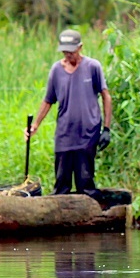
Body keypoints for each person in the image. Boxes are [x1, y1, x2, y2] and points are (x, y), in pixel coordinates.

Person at [26, 29, 113, 196]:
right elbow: (48, 100)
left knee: (85, 183)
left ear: (80, 47)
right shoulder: (56, 70)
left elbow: (106, 96)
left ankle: (89, 217)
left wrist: (107, 129)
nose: (68, 56)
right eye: (65, 52)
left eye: (71, 52)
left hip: (88, 134)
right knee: (61, 184)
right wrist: (35, 124)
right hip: (65, 134)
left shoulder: (92, 67)